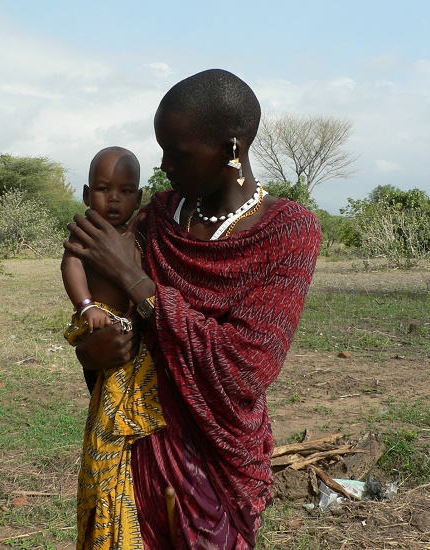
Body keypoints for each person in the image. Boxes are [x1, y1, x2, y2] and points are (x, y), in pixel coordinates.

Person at [64, 69, 322, 549]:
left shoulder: (288, 231)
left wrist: (136, 280)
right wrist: (90, 353)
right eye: (161, 150)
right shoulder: (156, 218)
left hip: (214, 460)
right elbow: (106, 316)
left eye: (177, 153)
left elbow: (245, 367)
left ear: (231, 149)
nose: (164, 165)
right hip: (131, 442)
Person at [61, 146, 166, 550]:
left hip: (134, 335)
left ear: (138, 197)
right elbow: (71, 265)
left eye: (125, 191)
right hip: (98, 324)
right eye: (104, 189)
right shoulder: (87, 232)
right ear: (87, 194)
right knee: (104, 397)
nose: (114, 199)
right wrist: (86, 305)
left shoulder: (141, 233)